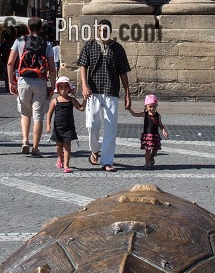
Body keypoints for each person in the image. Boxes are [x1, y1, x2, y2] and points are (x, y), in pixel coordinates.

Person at [77, 19, 132, 172]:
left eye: (106, 30)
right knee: (91, 124)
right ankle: (95, 149)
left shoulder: (118, 49)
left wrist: (127, 93)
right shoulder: (89, 45)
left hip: (111, 91)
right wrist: (84, 85)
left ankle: (107, 161)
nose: (104, 32)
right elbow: (83, 66)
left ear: (110, 31)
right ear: (98, 30)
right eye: (101, 30)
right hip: (93, 91)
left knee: (110, 128)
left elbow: (123, 72)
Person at [8, 16, 56, 157]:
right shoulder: (47, 45)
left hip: (23, 81)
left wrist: (11, 81)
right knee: (38, 116)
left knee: (25, 113)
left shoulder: (19, 41)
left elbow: (10, 62)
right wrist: (52, 87)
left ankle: (25, 141)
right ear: (41, 29)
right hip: (40, 82)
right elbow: (52, 68)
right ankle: (35, 148)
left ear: (28, 28)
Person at [46, 74, 83, 173]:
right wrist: (48, 125)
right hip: (58, 128)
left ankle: (66, 165)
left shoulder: (72, 100)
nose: (63, 89)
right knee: (59, 146)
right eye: (61, 87)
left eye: (65, 87)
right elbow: (49, 113)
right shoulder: (55, 101)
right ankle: (60, 157)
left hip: (69, 128)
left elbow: (81, 108)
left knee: (67, 146)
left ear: (69, 88)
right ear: (58, 89)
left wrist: (85, 99)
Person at [130, 92, 168, 169]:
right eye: (150, 106)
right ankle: (147, 163)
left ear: (156, 106)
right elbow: (134, 114)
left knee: (155, 149)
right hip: (147, 135)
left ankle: (151, 157)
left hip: (155, 135)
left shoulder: (158, 115)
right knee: (147, 150)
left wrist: (163, 130)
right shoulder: (145, 114)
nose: (152, 108)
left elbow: (160, 124)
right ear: (146, 106)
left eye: (154, 106)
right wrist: (129, 108)